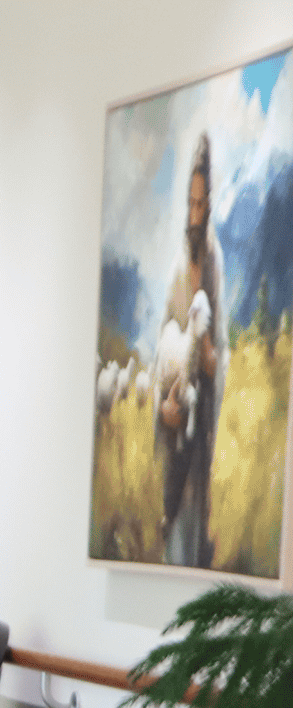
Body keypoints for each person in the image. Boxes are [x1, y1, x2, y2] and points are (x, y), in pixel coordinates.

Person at [157, 135, 227, 569]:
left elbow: (216, 358)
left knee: (194, 524)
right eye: (190, 203)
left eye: (202, 204)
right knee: (174, 516)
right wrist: (164, 405)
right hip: (175, 419)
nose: (194, 213)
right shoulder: (177, 271)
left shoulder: (215, 265)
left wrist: (202, 346)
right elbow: (162, 339)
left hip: (200, 431)